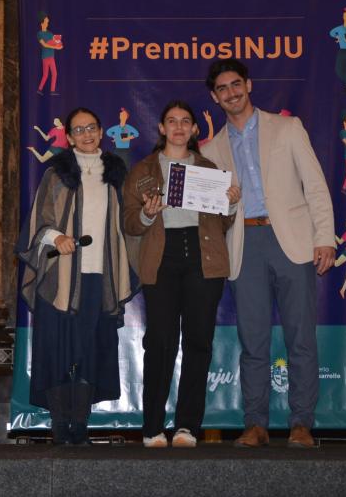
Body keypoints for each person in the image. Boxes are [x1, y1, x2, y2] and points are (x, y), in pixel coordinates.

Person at [200, 59, 335, 449]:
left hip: (292, 240)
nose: (231, 92)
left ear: (249, 85)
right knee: (253, 341)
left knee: (301, 339)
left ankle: (301, 424)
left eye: (236, 84)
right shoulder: (212, 149)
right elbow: (215, 215)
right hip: (245, 247)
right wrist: (226, 204)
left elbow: (316, 186)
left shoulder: (287, 127)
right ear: (214, 97)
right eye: (222, 88)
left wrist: (324, 237)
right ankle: (255, 424)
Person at [16, 107, 136, 445]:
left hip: (100, 276)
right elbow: (40, 220)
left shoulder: (115, 174)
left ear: (101, 132)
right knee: (58, 349)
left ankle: (80, 425)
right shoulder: (57, 174)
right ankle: (59, 425)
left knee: (88, 350)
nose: (86, 134)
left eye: (92, 128)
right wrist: (57, 237)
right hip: (61, 279)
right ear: (68, 137)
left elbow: (125, 225)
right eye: (79, 130)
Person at [123, 101, 240, 448]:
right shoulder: (142, 169)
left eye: (185, 121)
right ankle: (152, 427)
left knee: (199, 342)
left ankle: (188, 426)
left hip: (203, 257)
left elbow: (222, 222)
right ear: (161, 128)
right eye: (171, 121)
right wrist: (146, 214)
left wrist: (230, 204)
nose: (178, 127)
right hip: (161, 256)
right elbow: (128, 221)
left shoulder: (209, 169)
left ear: (193, 129)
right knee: (159, 342)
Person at [37, 11, 61, 95]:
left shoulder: (50, 33)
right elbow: (44, 45)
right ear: (42, 23)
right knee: (45, 75)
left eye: (48, 22)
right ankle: (40, 89)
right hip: (45, 57)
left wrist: (59, 45)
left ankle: (52, 90)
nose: (47, 23)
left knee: (54, 73)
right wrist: (55, 47)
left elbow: (55, 42)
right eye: (46, 22)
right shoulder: (39, 34)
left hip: (51, 56)